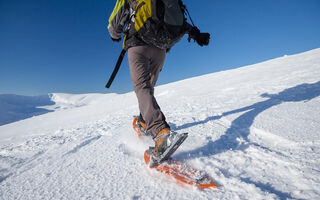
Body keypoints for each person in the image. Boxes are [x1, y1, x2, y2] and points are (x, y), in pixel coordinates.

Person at [108, 0, 210, 163]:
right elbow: (179, 20)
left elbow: (114, 26)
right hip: (161, 49)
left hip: (138, 45)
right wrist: (196, 35)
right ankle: (143, 121)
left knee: (142, 88)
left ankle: (162, 135)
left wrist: (115, 35)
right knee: (148, 88)